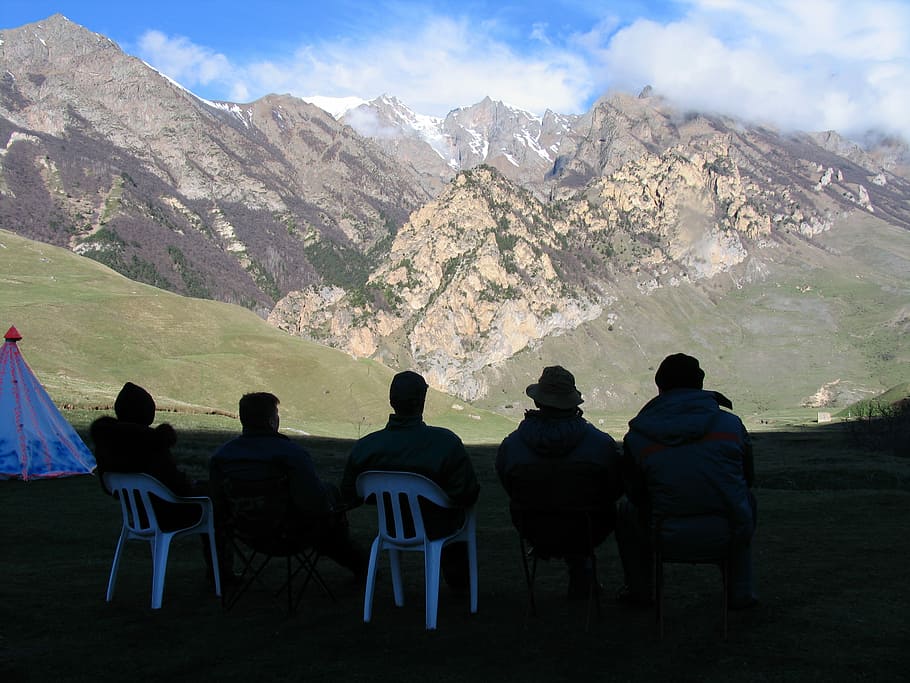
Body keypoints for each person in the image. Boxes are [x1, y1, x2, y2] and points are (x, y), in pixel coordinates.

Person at [615, 353, 757, 609]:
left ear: (659, 387)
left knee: (626, 510)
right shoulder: (731, 425)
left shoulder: (638, 434)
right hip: (727, 532)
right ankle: (741, 593)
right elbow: (749, 477)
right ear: (700, 385)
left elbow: (635, 491)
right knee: (746, 499)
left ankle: (641, 591)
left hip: (663, 534)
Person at [340, 370, 480, 589]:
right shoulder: (445, 442)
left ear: (391, 401)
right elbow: (467, 492)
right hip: (437, 528)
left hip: (391, 529)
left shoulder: (365, 446)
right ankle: (460, 587)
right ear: (422, 402)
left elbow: (350, 495)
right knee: (457, 518)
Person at [496, 365, 622, 598]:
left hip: (534, 529)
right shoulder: (600, 444)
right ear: (573, 403)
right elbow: (614, 488)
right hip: (589, 529)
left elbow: (508, 484)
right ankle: (584, 569)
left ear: (538, 402)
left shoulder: (512, 445)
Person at [209, 392, 366, 578]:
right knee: (330, 507)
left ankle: (220, 576)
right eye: (276, 414)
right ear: (271, 421)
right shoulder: (292, 454)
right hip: (290, 534)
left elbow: (216, 504)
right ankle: (360, 566)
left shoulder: (222, 456)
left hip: (244, 533)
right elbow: (315, 503)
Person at [90, 381, 204, 530]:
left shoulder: (107, 441)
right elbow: (178, 486)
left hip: (139, 515)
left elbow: (109, 488)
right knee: (216, 499)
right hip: (169, 514)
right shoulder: (152, 443)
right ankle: (218, 552)